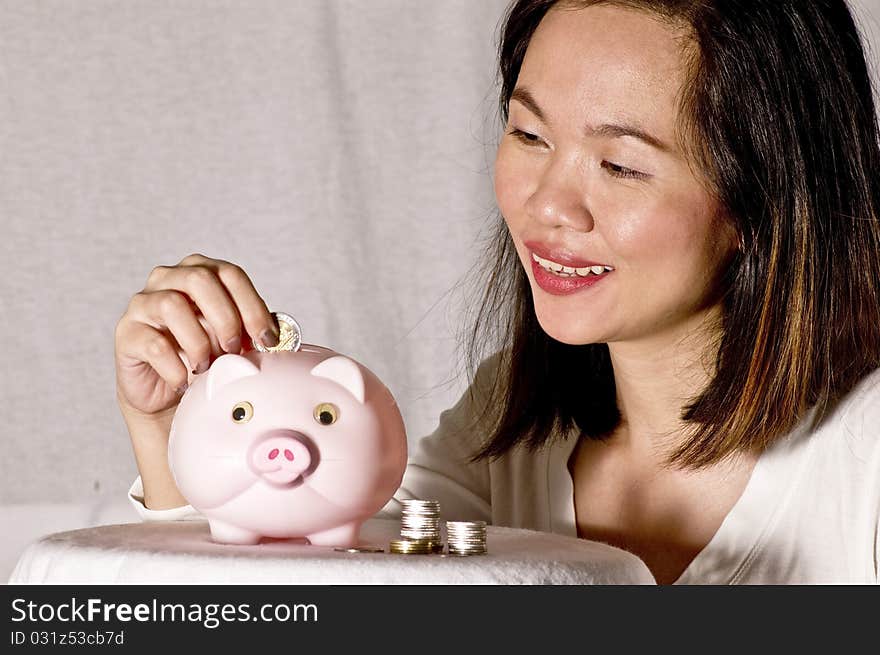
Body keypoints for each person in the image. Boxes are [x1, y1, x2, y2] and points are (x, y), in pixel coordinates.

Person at [115, 0, 880, 584]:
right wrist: (173, 428)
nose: (548, 206)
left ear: (768, 199)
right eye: (529, 135)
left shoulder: (863, 455)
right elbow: (311, 591)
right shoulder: (508, 425)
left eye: (620, 166)